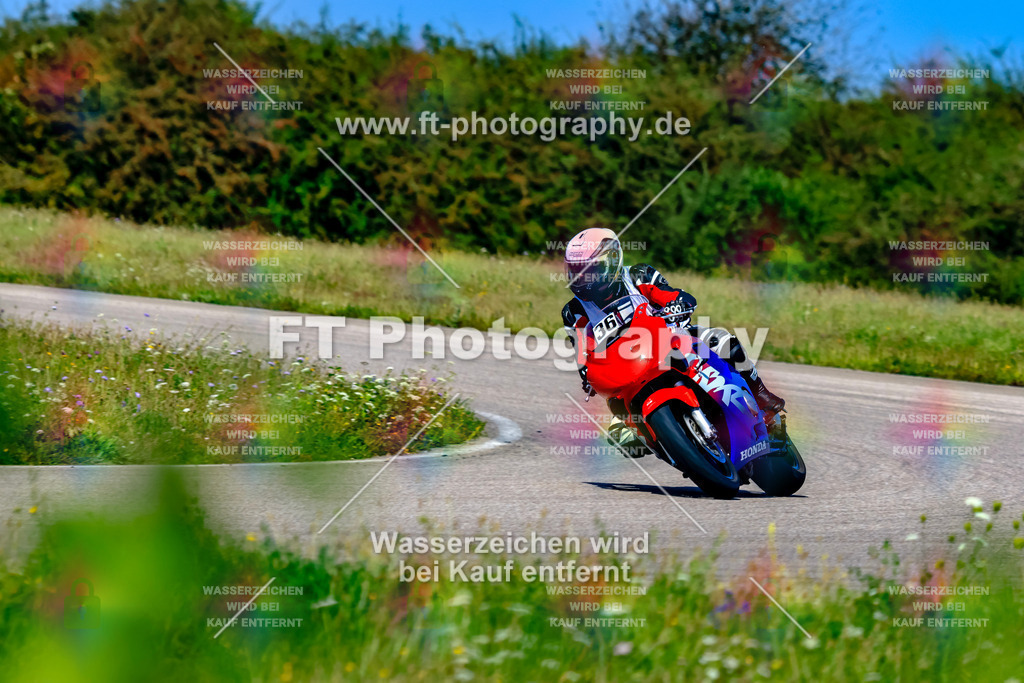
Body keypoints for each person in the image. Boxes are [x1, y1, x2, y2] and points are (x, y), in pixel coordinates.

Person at [560, 227, 785, 458]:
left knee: (723, 341)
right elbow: (582, 352)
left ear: (612, 261)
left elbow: (674, 295)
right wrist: (586, 374)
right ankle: (660, 439)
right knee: (620, 434)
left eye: (591, 270)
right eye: (576, 271)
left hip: (671, 340)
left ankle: (761, 394)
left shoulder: (638, 275)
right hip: (626, 367)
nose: (583, 279)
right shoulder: (573, 311)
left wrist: (677, 305)